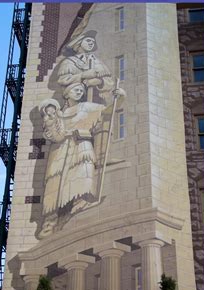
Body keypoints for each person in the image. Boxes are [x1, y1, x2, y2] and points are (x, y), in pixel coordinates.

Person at [39, 82, 125, 238]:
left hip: (82, 145)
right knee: (55, 182)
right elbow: (53, 135)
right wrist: (50, 118)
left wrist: (120, 97)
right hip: (61, 149)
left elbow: (108, 111)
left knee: (82, 171)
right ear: (66, 93)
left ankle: (80, 203)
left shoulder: (87, 107)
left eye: (81, 90)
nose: (79, 92)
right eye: (75, 90)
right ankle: (50, 221)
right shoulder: (57, 113)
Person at [56, 30, 114, 104]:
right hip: (76, 103)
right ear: (79, 42)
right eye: (88, 40)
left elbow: (109, 81)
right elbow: (63, 80)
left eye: (93, 42)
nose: (91, 43)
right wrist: (83, 75)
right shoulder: (69, 62)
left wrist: (100, 81)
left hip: (97, 102)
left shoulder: (98, 62)